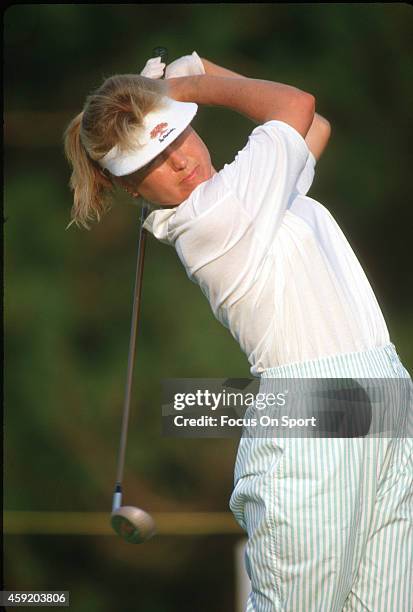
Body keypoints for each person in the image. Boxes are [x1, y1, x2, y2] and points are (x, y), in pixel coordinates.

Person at [63, 52, 412, 611]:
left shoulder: (251, 187)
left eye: (179, 135)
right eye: (155, 157)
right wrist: (190, 83)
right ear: (129, 186)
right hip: (316, 421)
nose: (180, 160)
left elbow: (313, 129)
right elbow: (297, 106)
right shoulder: (211, 217)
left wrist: (198, 68)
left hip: (385, 406)